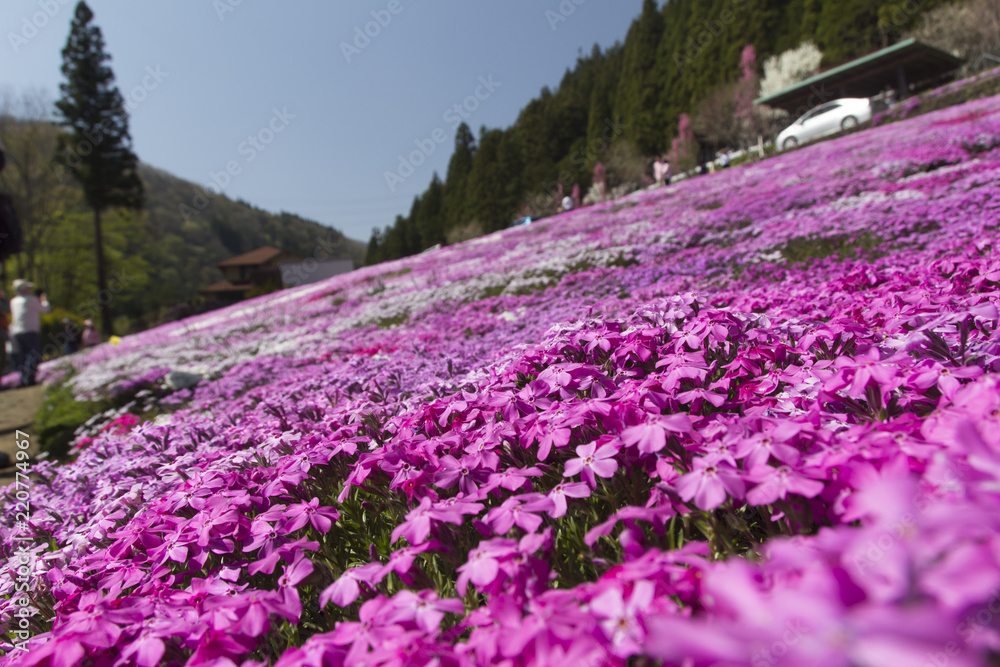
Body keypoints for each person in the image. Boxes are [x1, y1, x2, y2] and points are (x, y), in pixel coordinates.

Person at [9, 279, 49, 387]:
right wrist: (44, 299)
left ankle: (23, 379)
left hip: (16, 331)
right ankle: (29, 379)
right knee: (34, 354)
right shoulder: (31, 299)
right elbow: (45, 309)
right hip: (30, 331)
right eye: (29, 288)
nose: (30, 289)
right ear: (25, 289)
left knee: (22, 356)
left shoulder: (13, 301)